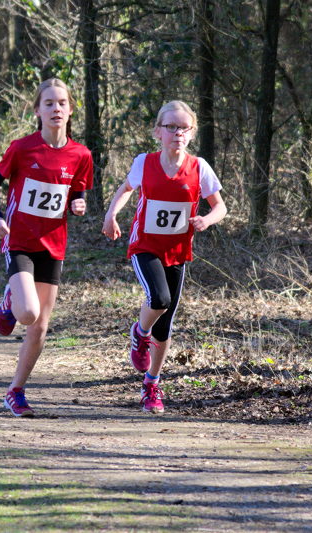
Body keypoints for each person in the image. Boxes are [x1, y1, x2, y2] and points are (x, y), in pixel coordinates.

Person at [102, 100, 227, 414]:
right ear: (158, 132)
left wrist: (206, 220)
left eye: (184, 127)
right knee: (159, 299)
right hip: (145, 245)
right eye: (171, 127)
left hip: (178, 251)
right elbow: (126, 188)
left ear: (192, 132)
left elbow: (220, 207)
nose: (177, 133)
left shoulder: (200, 167)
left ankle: (151, 385)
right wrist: (111, 215)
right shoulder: (144, 162)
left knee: (166, 325)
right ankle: (138, 333)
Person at [0, 78, 94, 417]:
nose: (56, 108)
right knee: (28, 313)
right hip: (18, 239)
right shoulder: (22, 148)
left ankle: (15, 391)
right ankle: (10, 299)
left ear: (71, 109)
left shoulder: (81, 154)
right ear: (37, 111)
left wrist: (79, 203)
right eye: (49, 103)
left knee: (40, 326)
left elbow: (77, 191)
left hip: (53, 245)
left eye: (62, 103)